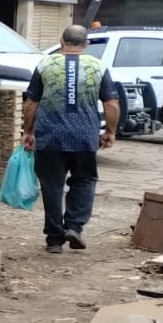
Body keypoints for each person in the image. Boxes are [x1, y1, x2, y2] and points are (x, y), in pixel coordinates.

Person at [22, 25, 120, 253]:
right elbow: (111, 103)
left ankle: (55, 239)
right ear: (85, 44)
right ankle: (74, 227)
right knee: (84, 180)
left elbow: (31, 102)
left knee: (51, 185)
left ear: (61, 40)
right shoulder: (98, 66)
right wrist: (110, 131)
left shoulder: (45, 64)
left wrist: (28, 131)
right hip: (84, 137)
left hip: (49, 137)